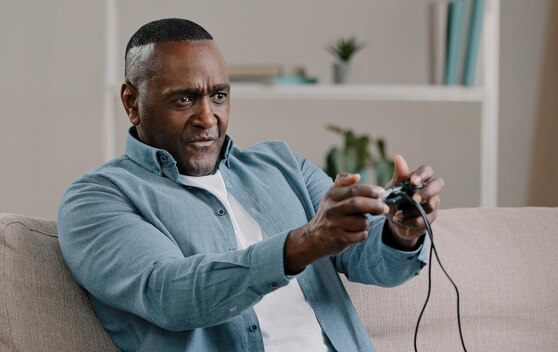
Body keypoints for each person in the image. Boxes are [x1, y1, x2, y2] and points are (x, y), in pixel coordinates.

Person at [58, 18, 445, 352]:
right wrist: (302, 243)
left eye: (219, 96)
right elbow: (168, 295)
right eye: (184, 99)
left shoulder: (283, 166)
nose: (207, 118)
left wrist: (400, 233)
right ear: (131, 101)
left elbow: (369, 262)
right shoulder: (97, 199)